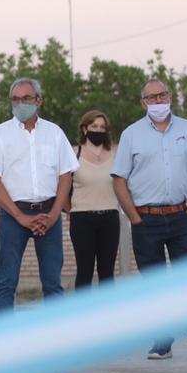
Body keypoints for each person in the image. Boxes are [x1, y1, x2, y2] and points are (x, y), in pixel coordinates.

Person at [112, 79, 187, 359]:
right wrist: (134, 217)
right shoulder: (131, 134)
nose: (158, 101)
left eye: (162, 95)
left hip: (181, 216)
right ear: (142, 102)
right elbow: (119, 179)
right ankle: (162, 341)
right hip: (146, 219)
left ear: (170, 96)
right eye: (151, 97)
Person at [0, 78, 78, 312]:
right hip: (15, 215)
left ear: (38, 101)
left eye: (26, 98)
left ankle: (56, 338)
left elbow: (66, 175)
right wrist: (20, 217)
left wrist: (54, 215)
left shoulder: (54, 133)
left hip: (49, 214)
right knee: (6, 281)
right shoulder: (0, 134)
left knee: (53, 283)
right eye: (15, 99)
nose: (20, 103)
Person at [68, 110, 120, 289]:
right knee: (85, 271)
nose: (98, 130)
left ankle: (109, 315)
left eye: (102, 127)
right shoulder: (73, 154)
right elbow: (62, 189)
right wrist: (72, 210)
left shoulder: (115, 154)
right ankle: (82, 315)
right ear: (84, 129)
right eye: (94, 126)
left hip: (110, 218)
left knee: (107, 272)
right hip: (82, 219)